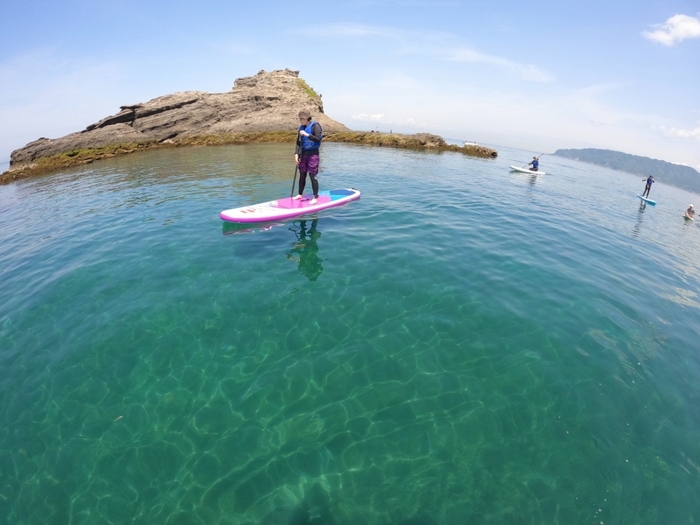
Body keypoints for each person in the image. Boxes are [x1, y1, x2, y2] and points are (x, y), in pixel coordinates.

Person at [294, 110, 323, 204]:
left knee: (312, 175)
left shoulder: (315, 126)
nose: (300, 120)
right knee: (302, 175)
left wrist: (307, 134)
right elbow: (298, 143)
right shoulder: (301, 128)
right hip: (303, 154)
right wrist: (296, 154)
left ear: (306, 118)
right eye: (299, 118)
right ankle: (300, 194)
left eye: (301, 118)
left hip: (313, 154)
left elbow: (318, 138)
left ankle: (315, 196)